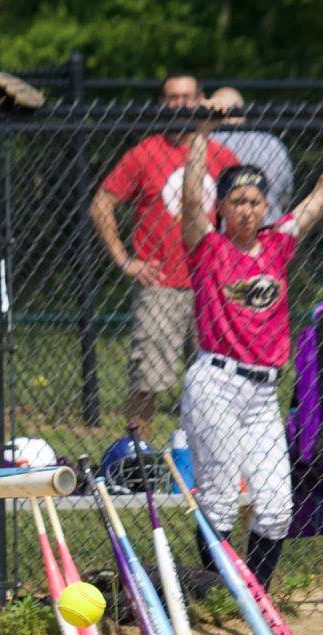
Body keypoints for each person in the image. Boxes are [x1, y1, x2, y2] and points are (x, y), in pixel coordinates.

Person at [181, 97, 323, 590]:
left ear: (266, 207)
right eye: (236, 201)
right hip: (216, 382)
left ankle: (254, 595)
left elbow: (315, 201)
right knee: (219, 496)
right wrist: (202, 132)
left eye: (254, 201)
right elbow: (190, 202)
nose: (246, 208)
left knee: (277, 505)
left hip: (263, 393)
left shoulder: (278, 244)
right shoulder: (209, 248)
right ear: (222, 207)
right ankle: (223, 592)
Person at [90, 74, 238, 439]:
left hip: (212, 286)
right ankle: (138, 461)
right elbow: (101, 204)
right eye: (172, 98)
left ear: (200, 100)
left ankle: (213, 456)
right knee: (147, 379)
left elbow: (241, 212)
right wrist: (126, 261)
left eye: (187, 97)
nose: (180, 104)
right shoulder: (144, 154)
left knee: (219, 380)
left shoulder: (221, 156)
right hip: (161, 285)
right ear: (162, 104)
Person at [210, 87, 293, 224]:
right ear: (241, 109)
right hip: (270, 230)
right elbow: (285, 196)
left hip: (224, 236)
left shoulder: (208, 142)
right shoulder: (272, 143)